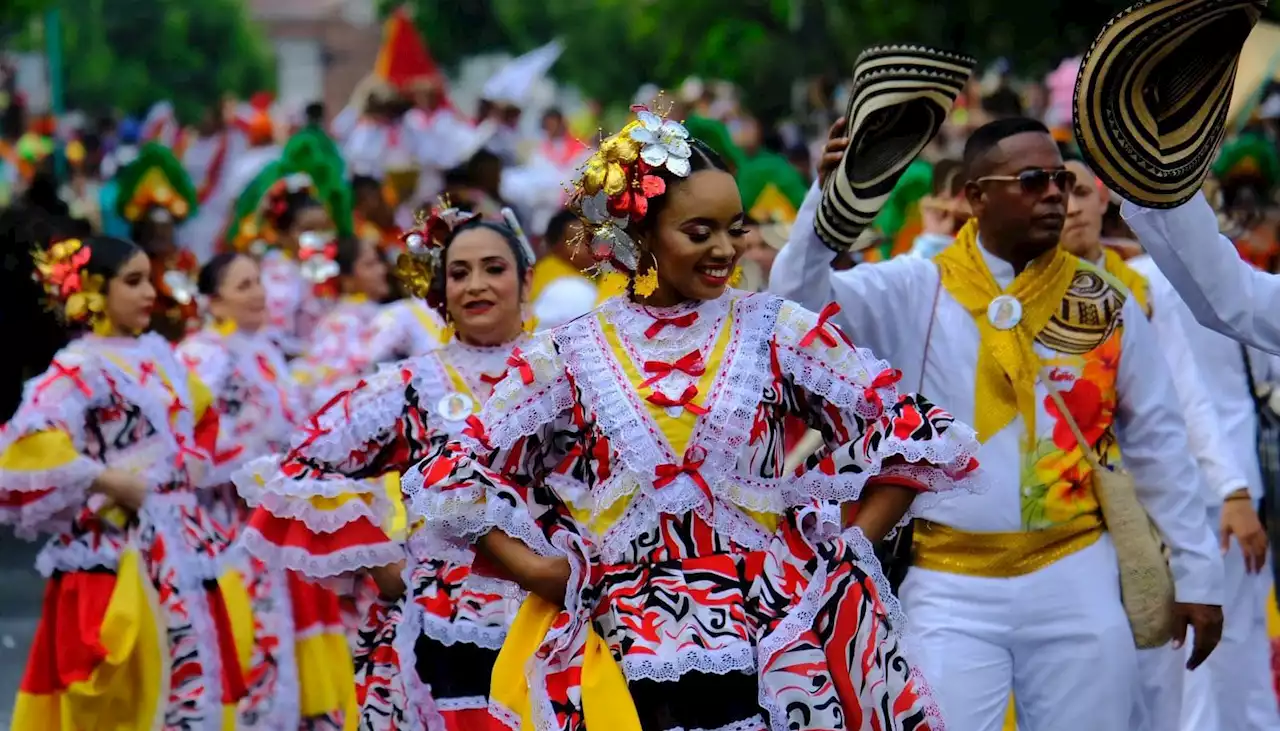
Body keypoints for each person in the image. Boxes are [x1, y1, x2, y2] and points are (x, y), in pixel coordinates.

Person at [399, 106, 983, 730]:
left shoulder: (776, 330)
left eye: (736, 228)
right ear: (642, 233)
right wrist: (541, 572)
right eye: (699, 231)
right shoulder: (571, 352)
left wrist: (845, 557)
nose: (726, 249)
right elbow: (455, 472)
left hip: (773, 638)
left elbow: (910, 432)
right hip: (621, 643)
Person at [770, 117, 1223, 731]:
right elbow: (798, 307)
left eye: (1061, 180)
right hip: (948, 583)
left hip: (1076, 573)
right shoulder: (916, 286)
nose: (1055, 195)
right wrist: (826, 203)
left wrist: (1198, 572)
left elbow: (1159, 444)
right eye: (1032, 180)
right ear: (976, 197)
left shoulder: (1102, 303)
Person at [235, 208, 538, 730]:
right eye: (459, 273)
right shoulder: (412, 383)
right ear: (440, 289)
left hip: (551, 615)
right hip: (443, 627)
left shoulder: (563, 365)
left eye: (494, 268)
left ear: (525, 277)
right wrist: (381, 561)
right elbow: (296, 468)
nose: (476, 285)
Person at [0, 235, 253, 730]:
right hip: (116, 552)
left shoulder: (161, 356)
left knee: (197, 679)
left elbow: (201, 416)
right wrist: (108, 479)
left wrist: (190, 465)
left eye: (148, 281)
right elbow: (22, 449)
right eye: (132, 282)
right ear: (94, 289)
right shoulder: (79, 368)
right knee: (120, 695)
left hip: (183, 539)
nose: (147, 294)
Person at [1059, 157, 1265, 731]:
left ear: (1104, 200)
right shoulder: (1021, 299)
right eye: (1055, 191)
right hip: (1061, 517)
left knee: (1167, 680)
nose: (1069, 205)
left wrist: (1233, 488)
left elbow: (1187, 400)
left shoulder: (1141, 291)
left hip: (1152, 514)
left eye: (1079, 190)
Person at [176, 252, 356, 729]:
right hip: (227, 522)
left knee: (294, 628)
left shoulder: (264, 349)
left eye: (258, 282)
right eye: (242, 286)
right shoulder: (201, 358)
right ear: (213, 303)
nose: (257, 293)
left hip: (278, 515)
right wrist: (249, 466)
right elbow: (187, 442)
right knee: (250, 634)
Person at [291, 235, 390, 410]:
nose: (381, 270)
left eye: (378, 262)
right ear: (347, 279)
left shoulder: (370, 313)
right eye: (370, 265)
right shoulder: (345, 322)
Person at [528, 207, 598, 328]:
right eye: (577, 241)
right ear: (555, 246)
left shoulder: (577, 271)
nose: (589, 248)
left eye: (591, 239)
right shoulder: (568, 287)